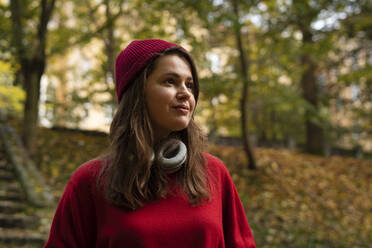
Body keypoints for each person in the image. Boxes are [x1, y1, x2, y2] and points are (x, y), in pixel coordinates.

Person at [44, 39, 256, 248]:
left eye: (189, 85)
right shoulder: (90, 181)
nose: (185, 93)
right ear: (138, 92)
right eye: (170, 81)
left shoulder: (214, 173)